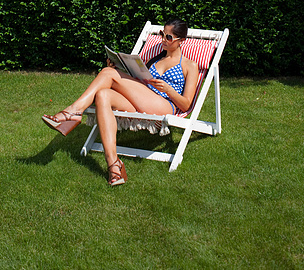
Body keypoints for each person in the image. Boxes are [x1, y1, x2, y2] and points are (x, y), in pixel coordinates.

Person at [42, 19, 198, 186]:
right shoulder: (155, 59)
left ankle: (72, 113)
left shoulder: (190, 65)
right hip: (143, 100)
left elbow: (186, 104)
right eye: (161, 34)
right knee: (103, 95)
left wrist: (169, 90)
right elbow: (139, 83)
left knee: (108, 73)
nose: (162, 40)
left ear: (181, 40)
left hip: (164, 105)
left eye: (168, 37)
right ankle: (114, 166)